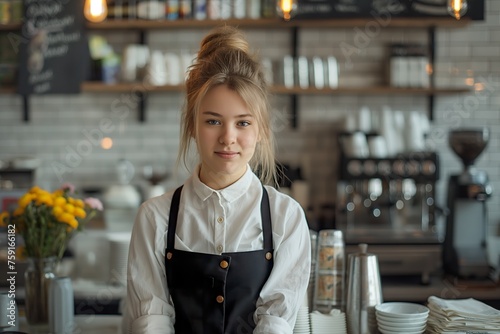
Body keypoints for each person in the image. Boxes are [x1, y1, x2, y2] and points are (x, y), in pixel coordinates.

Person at [122, 26, 311, 334]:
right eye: (213, 121)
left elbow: (274, 324)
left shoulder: (286, 218)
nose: (228, 138)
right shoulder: (154, 217)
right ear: (192, 126)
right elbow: (150, 321)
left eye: (243, 123)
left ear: (262, 129)